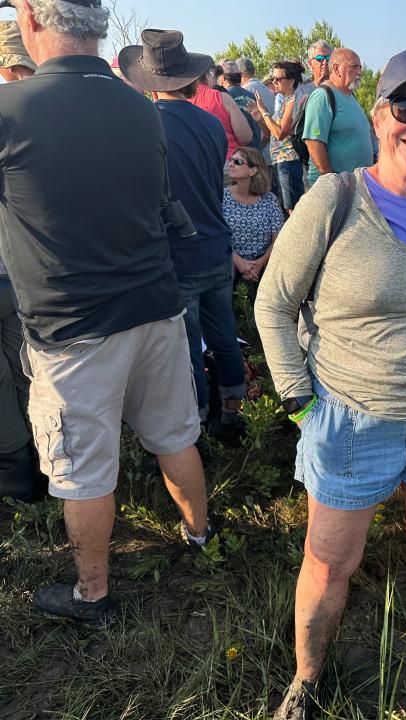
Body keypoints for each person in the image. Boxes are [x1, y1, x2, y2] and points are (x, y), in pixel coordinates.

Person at [256, 45, 406, 720]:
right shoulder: (336, 198)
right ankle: (306, 678)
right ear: (379, 115)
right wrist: (301, 406)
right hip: (349, 419)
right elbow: (271, 304)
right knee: (329, 559)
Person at [0, 3, 214, 627]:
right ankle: (202, 536)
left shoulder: (11, 111)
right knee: (175, 434)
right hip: (154, 304)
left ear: (35, 19)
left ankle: (92, 594)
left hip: (73, 326)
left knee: (84, 470)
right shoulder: (139, 107)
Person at [120, 29, 248, 442]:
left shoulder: (145, 125)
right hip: (215, 245)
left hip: (178, 253)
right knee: (225, 336)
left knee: (187, 347)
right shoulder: (211, 124)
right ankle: (232, 413)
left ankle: (194, 425)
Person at [0, 18, 39, 503]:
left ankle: (16, 475)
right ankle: (46, 469)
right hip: (31, 275)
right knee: (28, 371)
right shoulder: (62, 114)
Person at [302, 47, 373, 186]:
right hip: (332, 190)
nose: (359, 72)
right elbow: (314, 142)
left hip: (355, 187)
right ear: (336, 68)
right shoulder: (322, 96)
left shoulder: (350, 96)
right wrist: (333, 181)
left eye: (360, 67)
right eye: (354, 67)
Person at [224, 146, 285, 302]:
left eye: (237, 161)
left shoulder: (269, 199)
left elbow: (279, 239)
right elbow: (216, 235)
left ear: (252, 170)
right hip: (229, 260)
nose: (230, 164)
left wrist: (260, 262)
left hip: (263, 263)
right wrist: (238, 261)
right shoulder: (221, 197)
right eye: (231, 160)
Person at [257, 60, 306, 213]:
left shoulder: (293, 101)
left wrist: (264, 112)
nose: (274, 82)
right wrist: (260, 118)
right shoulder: (285, 102)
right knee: (285, 207)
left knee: (292, 209)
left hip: (289, 161)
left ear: (291, 81)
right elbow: (273, 132)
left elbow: (280, 133)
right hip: (281, 161)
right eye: (273, 79)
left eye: (278, 79)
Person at [189, 61, 253, 164]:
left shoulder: (181, 101)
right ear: (208, 75)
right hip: (228, 162)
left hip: (198, 165)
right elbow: (246, 137)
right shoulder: (221, 97)